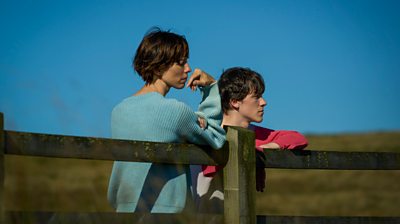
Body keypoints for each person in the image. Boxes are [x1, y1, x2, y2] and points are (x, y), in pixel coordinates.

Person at [107, 27, 226, 213]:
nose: (188, 68)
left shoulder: (118, 111)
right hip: (167, 213)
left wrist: (194, 120)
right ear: (159, 65)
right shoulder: (175, 111)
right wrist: (211, 87)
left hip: (124, 210)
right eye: (181, 62)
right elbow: (216, 138)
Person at [192, 67, 308, 213]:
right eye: (256, 97)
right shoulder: (211, 133)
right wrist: (245, 153)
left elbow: (298, 138)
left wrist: (262, 150)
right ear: (235, 102)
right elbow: (210, 168)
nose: (264, 102)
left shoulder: (255, 135)